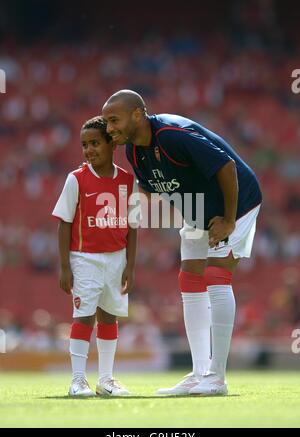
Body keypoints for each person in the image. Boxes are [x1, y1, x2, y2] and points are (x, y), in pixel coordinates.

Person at [102, 90, 262, 396]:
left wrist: (228, 220)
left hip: (237, 204)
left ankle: (217, 377)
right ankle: (199, 372)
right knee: (189, 278)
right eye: (107, 122)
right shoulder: (134, 151)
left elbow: (226, 166)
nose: (109, 128)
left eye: (114, 119)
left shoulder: (173, 135)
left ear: (137, 115)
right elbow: (150, 190)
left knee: (215, 276)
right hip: (198, 209)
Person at [52, 116, 138, 397]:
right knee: (84, 317)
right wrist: (65, 266)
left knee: (109, 317)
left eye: (95, 143)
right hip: (84, 257)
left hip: (116, 258)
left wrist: (130, 265)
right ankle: (77, 380)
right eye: (84, 145)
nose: (89, 150)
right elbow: (64, 222)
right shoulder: (76, 179)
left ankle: (106, 380)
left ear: (112, 143)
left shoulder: (127, 179)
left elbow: (132, 225)